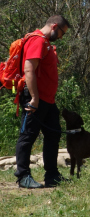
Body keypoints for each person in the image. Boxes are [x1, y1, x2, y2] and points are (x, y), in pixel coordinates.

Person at [14, 16, 71, 189]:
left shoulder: (46, 43)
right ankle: (23, 176)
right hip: (35, 99)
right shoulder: (37, 41)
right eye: (61, 33)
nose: (61, 37)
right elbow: (29, 70)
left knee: (53, 135)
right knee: (27, 137)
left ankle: (52, 175)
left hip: (48, 100)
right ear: (54, 26)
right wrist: (34, 98)